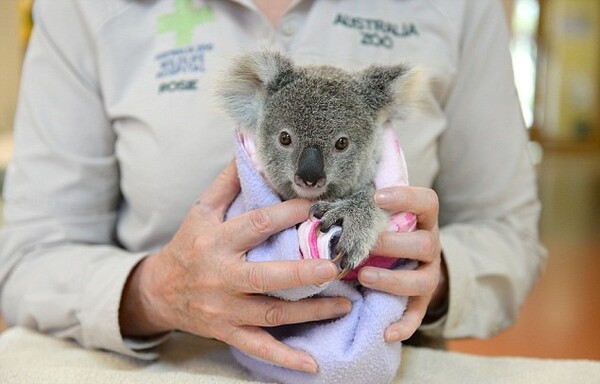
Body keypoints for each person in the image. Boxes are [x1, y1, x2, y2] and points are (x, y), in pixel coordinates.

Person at [0, 0, 546, 375]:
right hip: (175, 363)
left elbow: (508, 235)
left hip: (379, 361)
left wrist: (419, 274)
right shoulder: (84, 9)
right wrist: (158, 292)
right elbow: (28, 255)